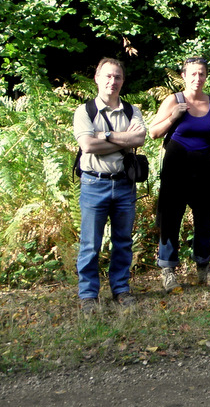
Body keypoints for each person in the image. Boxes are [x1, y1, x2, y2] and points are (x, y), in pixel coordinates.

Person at [73, 58, 146, 312]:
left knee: (123, 241)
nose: (112, 82)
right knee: (91, 243)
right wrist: (123, 140)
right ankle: (88, 294)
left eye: (117, 77)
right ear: (97, 77)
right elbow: (88, 146)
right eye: (107, 76)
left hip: (125, 184)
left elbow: (140, 138)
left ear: (122, 81)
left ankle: (121, 289)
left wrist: (103, 135)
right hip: (94, 183)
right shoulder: (85, 111)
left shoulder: (130, 110)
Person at [149, 57, 210, 293]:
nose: (197, 78)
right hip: (176, 168)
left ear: (206, 76)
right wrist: (174, 117)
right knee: (171, 218)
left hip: (204, 169)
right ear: (183, 76)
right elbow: (153, 132)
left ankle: (204, 267)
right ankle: (168, 270)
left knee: (205, 219)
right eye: (192, 74)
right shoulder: (174, 100)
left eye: (201, 74)